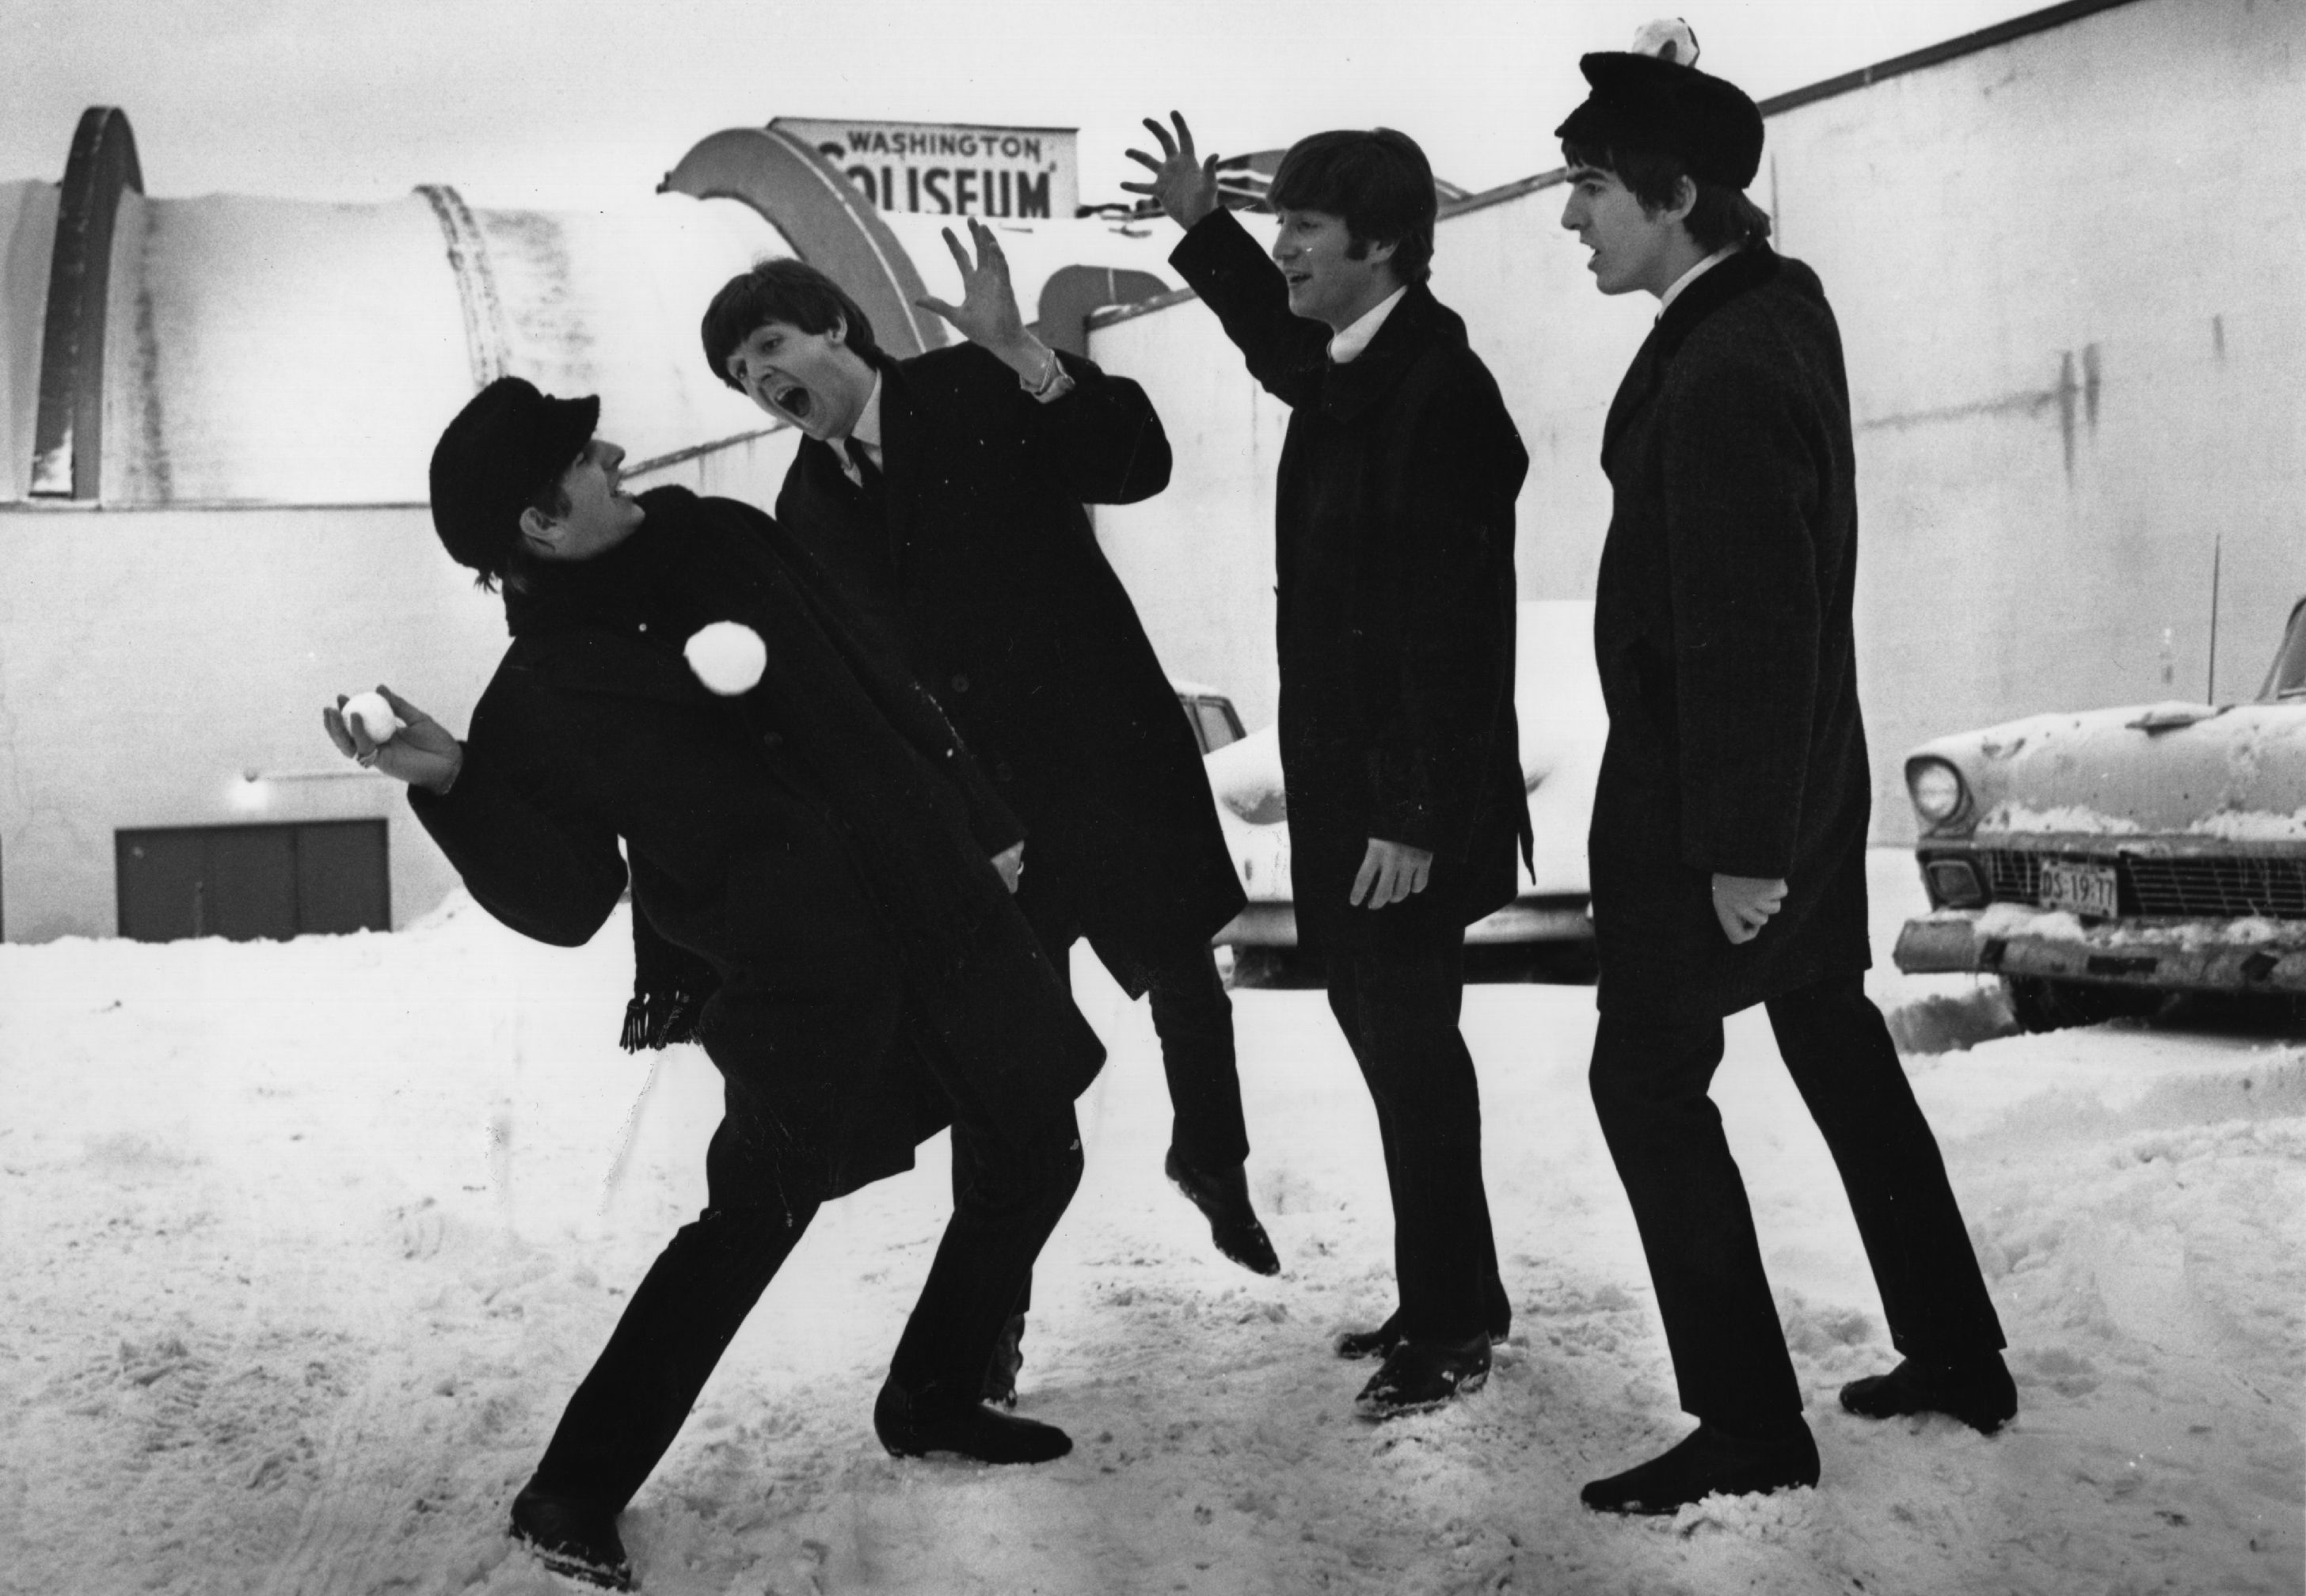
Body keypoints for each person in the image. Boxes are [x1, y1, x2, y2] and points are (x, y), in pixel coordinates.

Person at [322, 377, 1105, 1590]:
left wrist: (980, 817)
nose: (619, 453)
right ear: (540, 523)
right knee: (751, 1220)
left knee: (1037, 1146)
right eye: (588, 457)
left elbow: (877, 675)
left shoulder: (726, 539)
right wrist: (455, 781)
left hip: (936, 902)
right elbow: (568, 899)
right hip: (803, 975)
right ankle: (570, 1490)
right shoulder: (543, 698)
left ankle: (935, 1391)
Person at [1551, 29, 2015, 1514]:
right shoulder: (1763, 316)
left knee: (1646, 1079)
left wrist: (1742, 847)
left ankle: (1750, 1422)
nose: (1571, 219)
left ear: (1675, 195)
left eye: (1590, 191)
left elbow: (1757, 622)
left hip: (1725, 810)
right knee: (1832, 1043)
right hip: (1787, 791)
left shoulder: (1730, 358)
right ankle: (1954, 1349)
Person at [698, 234, 1277, 1403]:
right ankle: (993, 1331)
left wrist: (1027, 351)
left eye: (769, 347)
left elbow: (1134, 464)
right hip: (988, 818)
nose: (760, 381)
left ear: (835, 331)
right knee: (1009, 1078)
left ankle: (1210, 1160)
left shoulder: (972, 385)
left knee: (1182, 973)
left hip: (1106, 759)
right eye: (738, 376)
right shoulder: (805, 503)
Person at [1126, 118, 1530, 1419]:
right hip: (1361, 798)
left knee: (1411, 1047)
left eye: (1308, 225)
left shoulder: (1439, 391)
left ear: (1387, 245)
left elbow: (1453, 630)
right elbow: (1280, 343)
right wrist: (1204, 227)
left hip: (1405, 805)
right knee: (1390, 1036)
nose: (1285, 244)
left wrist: (1414, 813)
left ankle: (1456, 1322)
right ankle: (1453, 1290)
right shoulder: (1364, 362)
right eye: (1282, 220)